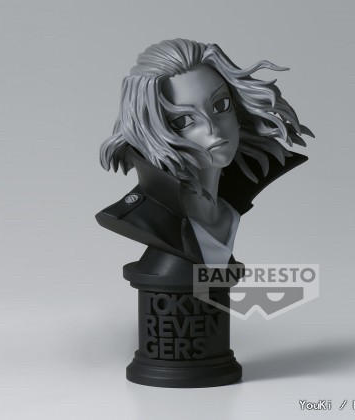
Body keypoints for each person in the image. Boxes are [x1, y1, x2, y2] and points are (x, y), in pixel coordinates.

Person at [96, 39, 313, 271]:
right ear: (152, 131)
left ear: (237, 107)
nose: (212, 129)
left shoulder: (230, 205)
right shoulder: (141, 217)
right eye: (183, 121)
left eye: (221, 105)